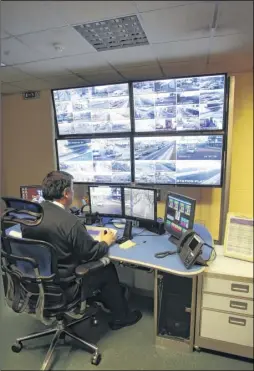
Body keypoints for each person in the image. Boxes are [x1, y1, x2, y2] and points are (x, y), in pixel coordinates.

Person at [21, 170, 142, 330]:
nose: (73, 193)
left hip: (35, 280)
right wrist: (106, 242)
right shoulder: (70, 223)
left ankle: (104, 300)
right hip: (66, 284)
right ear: (66, 193)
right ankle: (121, 317)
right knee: (107, 268)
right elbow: (91, 253)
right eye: (72, 189)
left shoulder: (31, 214)